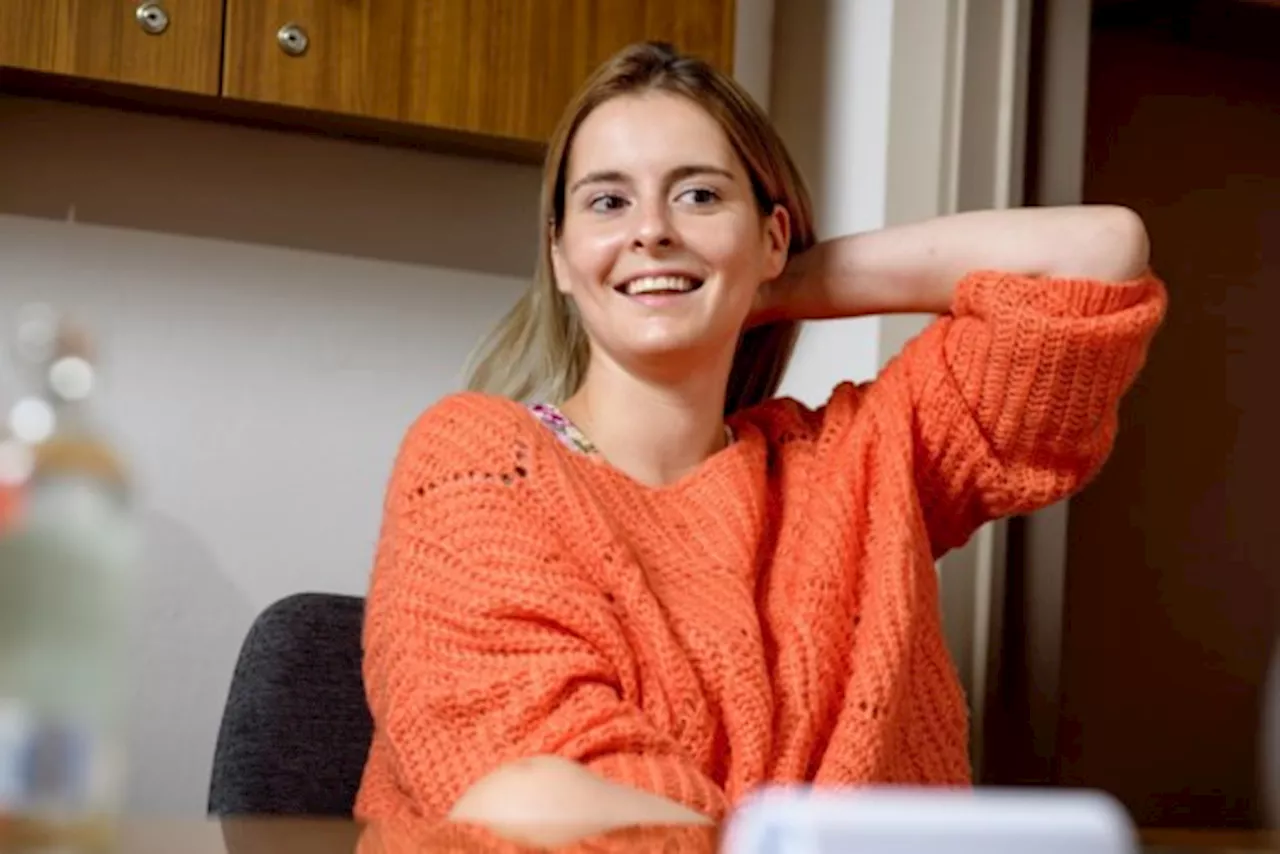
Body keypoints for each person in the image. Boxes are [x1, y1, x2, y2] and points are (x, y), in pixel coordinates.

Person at [354, 41, 1167, 846]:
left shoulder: (859, 459)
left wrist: (785, 283)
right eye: (608, 204)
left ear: (773, 237)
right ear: (560, 256)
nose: (652, 233)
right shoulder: (478, 458)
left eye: (699, 196)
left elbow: (1098, 255)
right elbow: (530, 792)